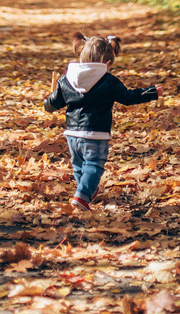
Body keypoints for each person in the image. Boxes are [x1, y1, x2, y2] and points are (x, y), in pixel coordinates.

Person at [43, 32, 164, 212]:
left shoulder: (66, 79)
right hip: (96, 134)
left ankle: (86, 189)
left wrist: (47, 103)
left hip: (72, 135)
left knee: (79, 165)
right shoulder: (108, 81)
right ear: (107, 64)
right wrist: (151, 92)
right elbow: (128, 97)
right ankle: (82, 196)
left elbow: (53, 103)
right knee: (93, 165)